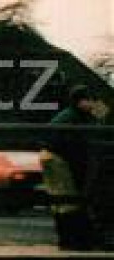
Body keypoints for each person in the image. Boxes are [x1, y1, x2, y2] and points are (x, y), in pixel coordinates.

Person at [42, 84, 102, 250]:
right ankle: (71, 240)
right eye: (90, 100)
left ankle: (68, 239)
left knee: (60, 200)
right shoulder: (76, 117)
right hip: (58, 157)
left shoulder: (70, 115)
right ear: (81, 101)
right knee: (68, 200)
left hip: (52, 155)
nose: (93, 104)